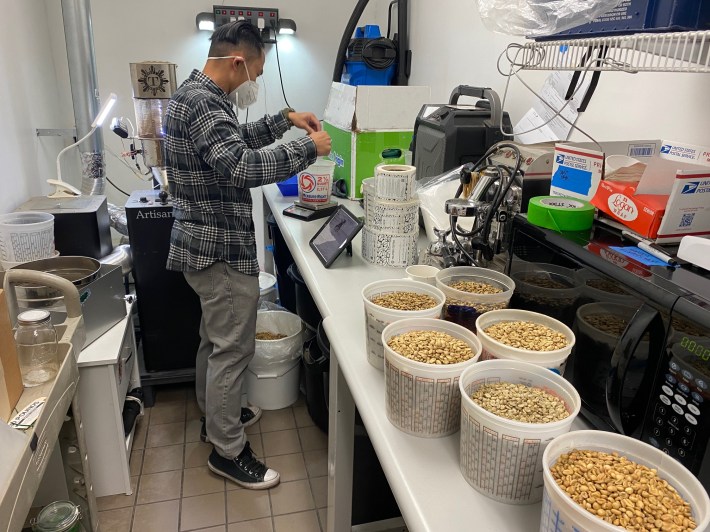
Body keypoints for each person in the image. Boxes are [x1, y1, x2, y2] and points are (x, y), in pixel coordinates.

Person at [164, 20, 331, 489]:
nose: (255, 81)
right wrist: (307, 148)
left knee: (214, 341)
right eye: (255, 72)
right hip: (219, 247)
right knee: (233, 349)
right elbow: (239, 166)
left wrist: (284, 120)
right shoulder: (204, 104)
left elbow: (232, 144)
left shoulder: (201, 96)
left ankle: (215, 417)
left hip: (204, 243)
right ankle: (227, 449)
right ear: (237, 61)